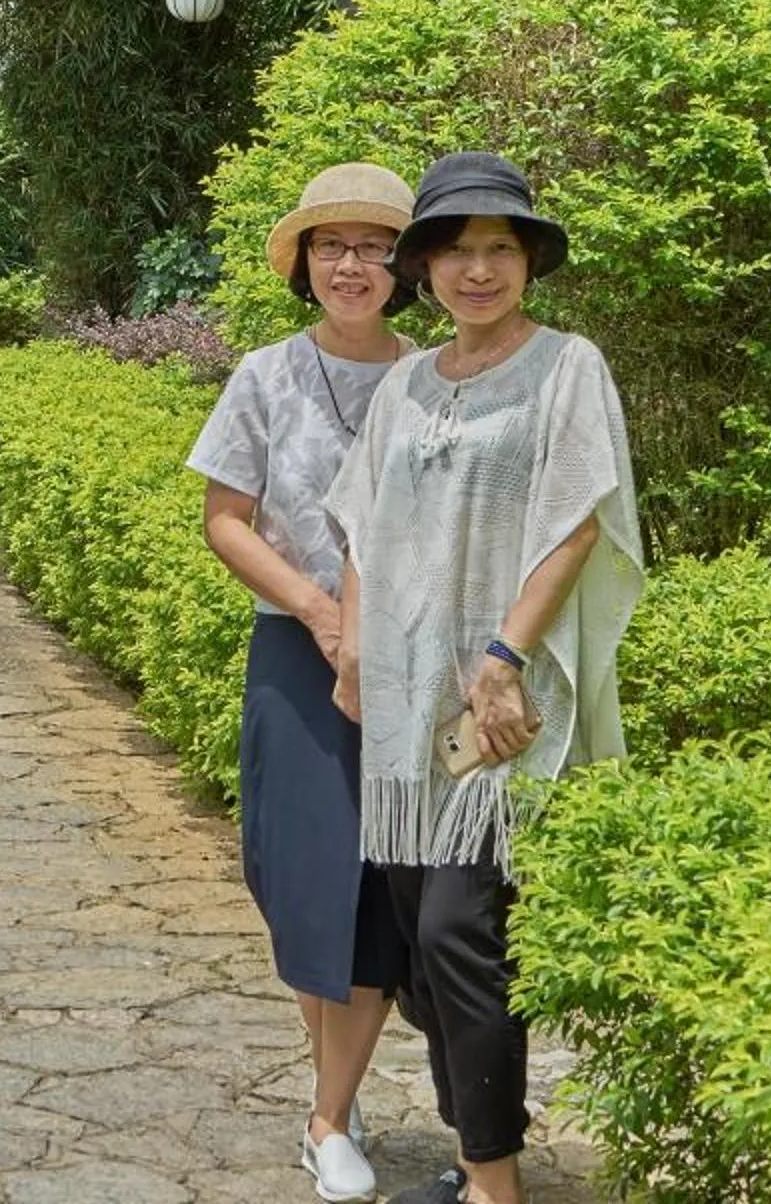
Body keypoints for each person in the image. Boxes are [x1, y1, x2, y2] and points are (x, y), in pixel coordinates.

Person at [323, 152, 645, 1204]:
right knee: (422, 943)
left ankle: (494, 1184)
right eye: (455, 250)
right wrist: (356, 649)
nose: (477, 269)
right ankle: (475, 1162)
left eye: (498, 249)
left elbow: (577, 516)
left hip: (498, 702)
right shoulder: (409, 383)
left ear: (528, 263)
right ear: (423, 266)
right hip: (409, 705)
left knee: (465, 928)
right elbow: (364, 525)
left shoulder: (565, 367)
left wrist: (504, 657)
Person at [186, 163, 419, 1204]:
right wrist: (324, 614)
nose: (354, 265)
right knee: (301, 878)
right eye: (335, 246)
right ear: (305, 264)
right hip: (295, 651)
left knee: (373, 889)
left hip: (413, 661)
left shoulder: (438, 376)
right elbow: (225, 518)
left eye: (375, 246)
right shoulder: (266, 375)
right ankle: (343, 1084)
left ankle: (329, 1114)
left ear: (403, 266)